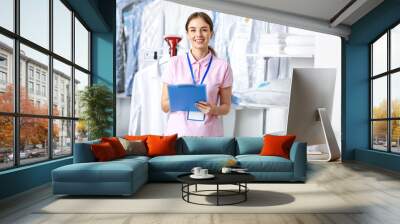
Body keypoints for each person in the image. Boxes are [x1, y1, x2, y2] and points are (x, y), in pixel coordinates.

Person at [161, 12, 233, 137]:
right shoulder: (174, 63)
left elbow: (226, 107)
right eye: (193, 30)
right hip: (177, 137)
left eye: (204, 30)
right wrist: (182, 99)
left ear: (211, 33)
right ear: (188, 34)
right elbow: (164, 106)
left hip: (210, 139)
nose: (198, 35)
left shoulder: (223, 66)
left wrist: (213, 109)